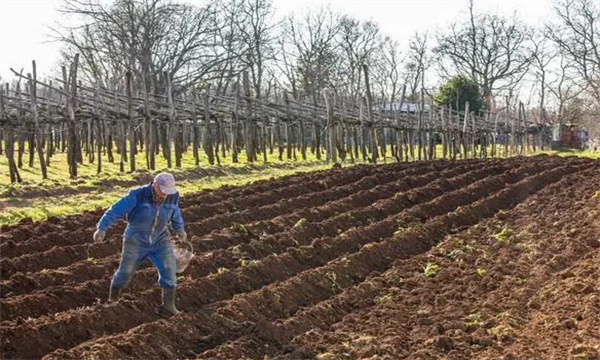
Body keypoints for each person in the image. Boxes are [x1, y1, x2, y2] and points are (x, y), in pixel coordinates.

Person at [92, 172, 186, 315]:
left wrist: (180, 230)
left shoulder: (172, 197)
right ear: (154, 185)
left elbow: (176, 214)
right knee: (126, 271)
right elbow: (115, 210)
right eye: (162, 191)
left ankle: (168, 306)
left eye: (167, 191)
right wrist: (102, 228)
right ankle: (113, 300)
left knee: (169, 269)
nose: (164, 195)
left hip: (160, 239)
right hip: (136, 239)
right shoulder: (138, 194)